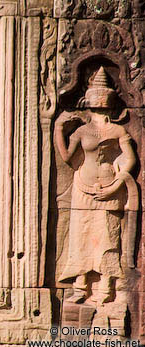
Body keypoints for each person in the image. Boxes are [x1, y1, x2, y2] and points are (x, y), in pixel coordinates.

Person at [55, 66, 138, 304]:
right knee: (81, 235)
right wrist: (59, 129)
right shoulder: (83, 130)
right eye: (95, 107)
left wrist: (116, 184)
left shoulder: (117, 129)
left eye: (103, 107)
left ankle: (107, 286)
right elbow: (68, 158)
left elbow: (130, 159)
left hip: (110, 186)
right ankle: (80, 286)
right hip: (83, 185)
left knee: (108, 236)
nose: (99, 110)